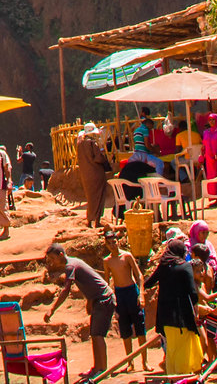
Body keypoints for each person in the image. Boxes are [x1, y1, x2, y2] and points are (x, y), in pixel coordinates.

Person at [44, 242, 116, 375]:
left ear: (61, 255)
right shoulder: (72, 263)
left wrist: (52, 309)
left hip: (104, 298)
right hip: (98, 299)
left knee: (97, 334)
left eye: (53, 259)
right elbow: (89, 282)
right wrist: (89, 302)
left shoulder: (71, 265)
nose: (52, 262)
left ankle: (102, 370)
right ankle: (97, 367)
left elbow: (66, 290)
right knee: (94, 334)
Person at [146, 234, 203, 376]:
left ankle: (173, 378)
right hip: (182, 318)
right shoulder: (185, 267)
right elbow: (193, 293)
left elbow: (148, 283)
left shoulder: (163, 266)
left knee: (172, 350)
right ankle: (182, 378)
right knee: (183, 351)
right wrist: (196, 312)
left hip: (165, 319)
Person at [100, 228, 145, 360]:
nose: (113, 245)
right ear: (106, 245)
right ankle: (129, 361)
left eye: (114, 242)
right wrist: (112, 302)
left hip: (132, 291)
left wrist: (141, 294)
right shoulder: (107, 261)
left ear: (118, 241)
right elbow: (107, 283)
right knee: (125, 330)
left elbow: (139, 276)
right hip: (120, 294)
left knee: (140, 328)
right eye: (110, 243)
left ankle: (144, 361)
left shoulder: (127, 256)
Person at [77, 123, 115, 227]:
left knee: (90, 197)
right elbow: (98, 158)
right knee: (99, 196)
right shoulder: (92, 144)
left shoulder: (80, 144)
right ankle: (97, 221)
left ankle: (89, 220)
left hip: (85, 174)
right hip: (96, 173)